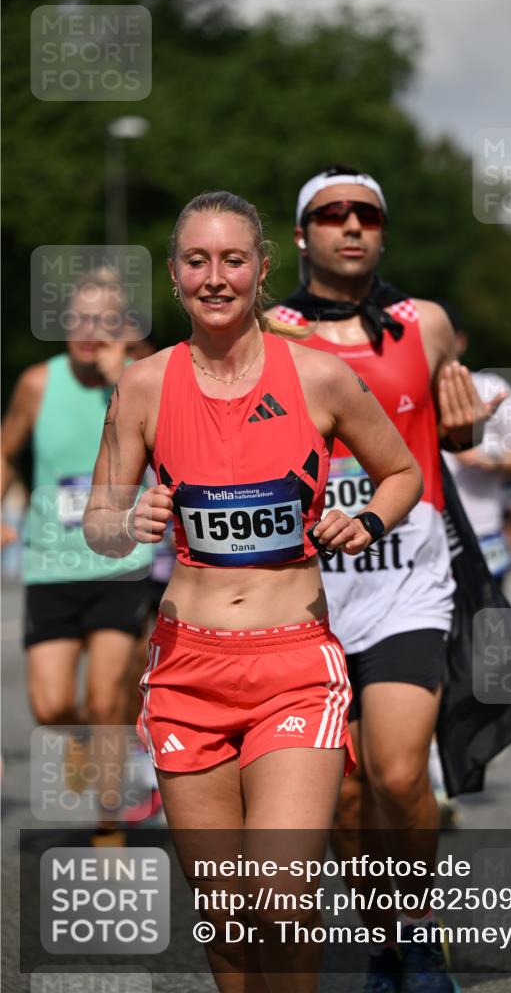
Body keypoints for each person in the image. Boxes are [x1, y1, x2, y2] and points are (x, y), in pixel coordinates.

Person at [83, 189, 423, 993]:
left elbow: (402, 471)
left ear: (262, 270)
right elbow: (97, 518)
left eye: (232, 260)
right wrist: (130, 519)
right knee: (226, 905)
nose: (214, 277)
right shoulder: (142, 383)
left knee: (280, 896)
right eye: (196, 261)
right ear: (173, 275)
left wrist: (368, 520)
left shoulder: (319, 377)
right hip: (185, 671)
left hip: (293, 666)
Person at [271, 165, 505, 993]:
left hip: (409, 576)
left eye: (365, 214)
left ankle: (418, 933)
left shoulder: (424, 326)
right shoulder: (266, 333)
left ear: (382, 230)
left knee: (400, 773)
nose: (350, 226)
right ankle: (385, 942)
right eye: (330, 214)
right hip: (306, 589)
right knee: (343, 794)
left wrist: (468, 432)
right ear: (301, 235)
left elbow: (454, 437)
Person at [0, 269, 153, 843]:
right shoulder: (38, 384)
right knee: (52, 703)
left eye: (105, 321)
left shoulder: (147, 379)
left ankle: (107, 824)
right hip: (50, 565)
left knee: (106, 693)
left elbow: (177, 456)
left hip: (120, 563)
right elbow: (6, 451)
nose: (91, 332)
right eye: (80, 320)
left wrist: (124, 380)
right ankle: (85, 742)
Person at [441, 324, 511, 591]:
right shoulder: (401, 387)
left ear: (460, 341)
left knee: (483, 622)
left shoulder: (488, 387)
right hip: (422, 537)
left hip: (484, 532)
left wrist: (491, 460)